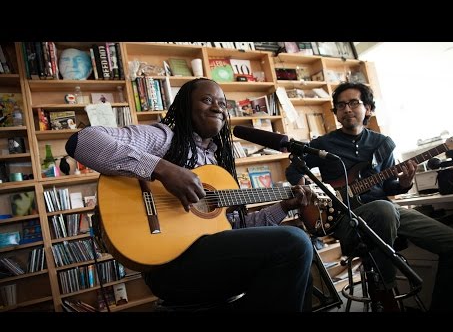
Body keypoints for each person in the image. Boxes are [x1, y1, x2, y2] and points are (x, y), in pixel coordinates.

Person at [65, 78, 316, 312]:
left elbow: (233, 229)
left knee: (301, 264)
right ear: (186, 106)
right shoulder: (164, 138)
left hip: (210, 258)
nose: (218, 108)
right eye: (207, 100)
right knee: (295, 243)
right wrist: (161, 169)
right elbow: (83, 141)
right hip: (170, 266)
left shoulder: (216, 166)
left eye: (222, 103)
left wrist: (283, 206)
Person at [285, 82, 453, 312]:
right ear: (336, 112)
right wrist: (307, 191)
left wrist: (404, 183)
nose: (347, 109)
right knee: (383, 209)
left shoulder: (383, 144)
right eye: (341, 105)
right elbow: (294, 169)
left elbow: (389, 186)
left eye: (354, 103)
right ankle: (386, 295)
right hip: (344, 219)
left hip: (388, 212)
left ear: (369, 108)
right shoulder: (324, 144)